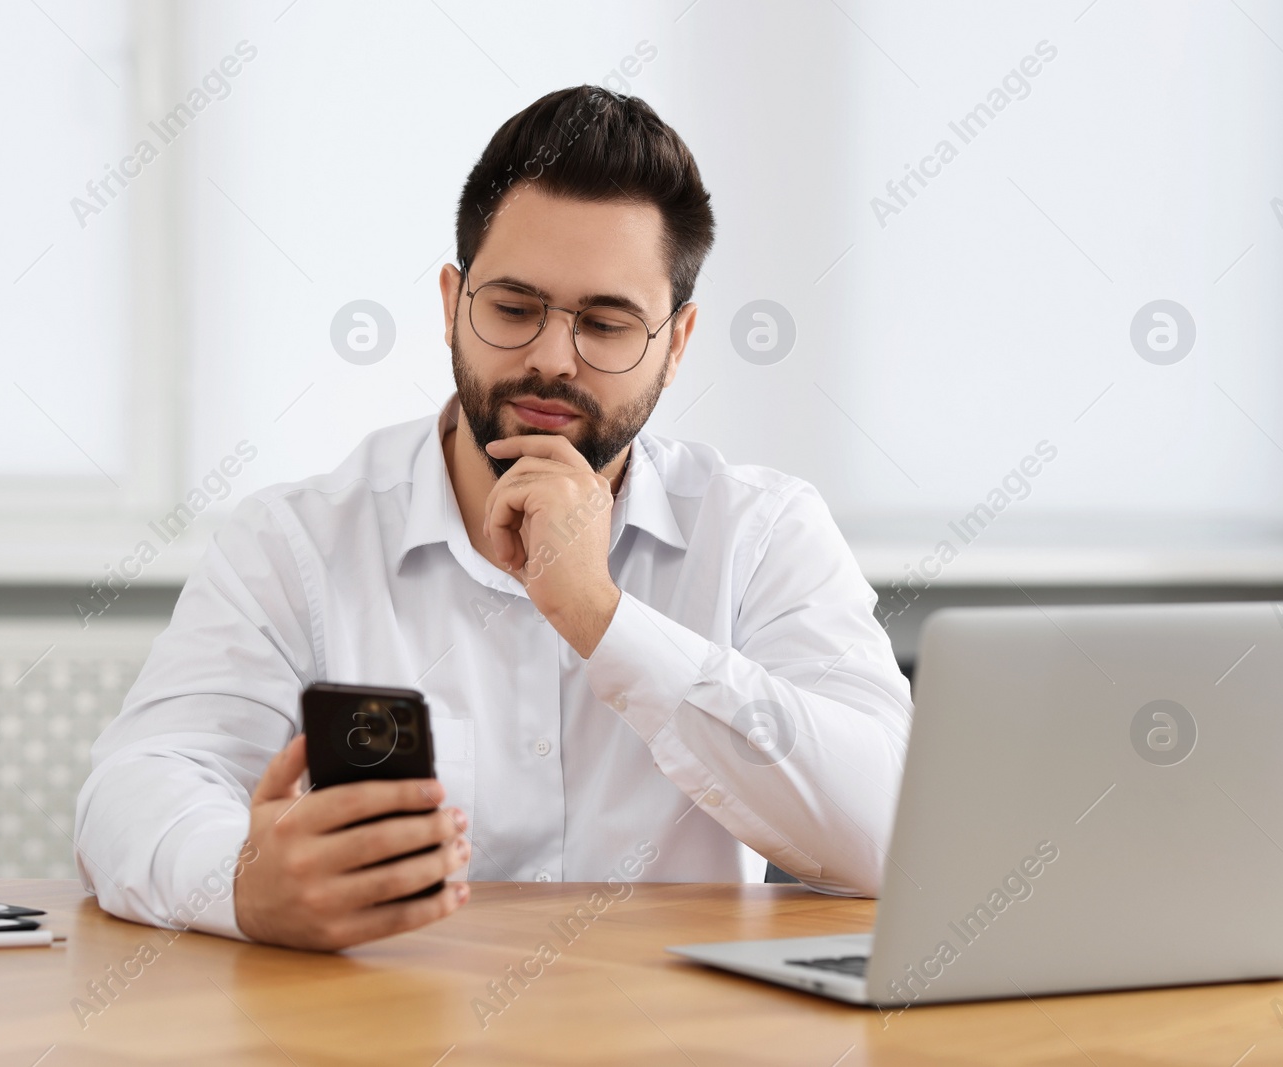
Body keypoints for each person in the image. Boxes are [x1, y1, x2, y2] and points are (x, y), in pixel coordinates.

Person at [73, 85, 913, 951]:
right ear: (451, 305)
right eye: (513, 309)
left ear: (678, 341)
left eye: (608, 323)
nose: (552, 359)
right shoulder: (294, 542)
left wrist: (600, 615)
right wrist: (246, 885)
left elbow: (889, 830)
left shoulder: (762, 532)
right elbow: (136, 788)